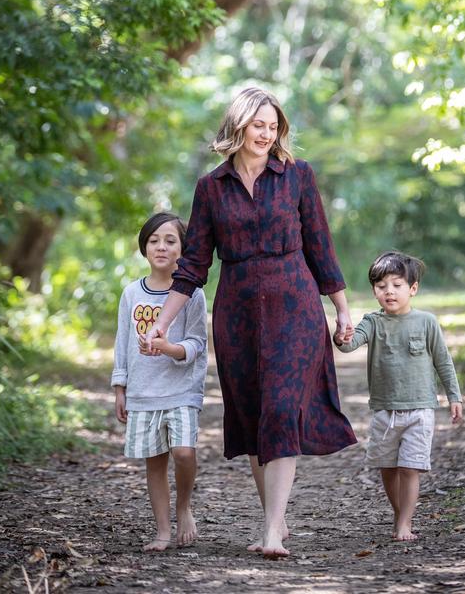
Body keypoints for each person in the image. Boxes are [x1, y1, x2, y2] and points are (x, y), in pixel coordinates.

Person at [140, 86, 357, 558]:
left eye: (273, 124)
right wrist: (161, 321)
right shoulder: (211, 187)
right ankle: (272, 519)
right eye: (258, 124)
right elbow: (194, 264)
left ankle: (273, 529)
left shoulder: (298, 176)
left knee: (282, 409)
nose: (266, 132)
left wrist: (340, 308)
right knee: (257, 415)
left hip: (295, 305)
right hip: (236, 311)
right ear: (238, 126)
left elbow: (320, 244)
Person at [334, 250, 462, 542]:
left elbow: (443, 360)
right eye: (381, 286)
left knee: (409, 467)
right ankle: (398, 511)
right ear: (374, 291)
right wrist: (340, 336)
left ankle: (405, 522)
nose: (389, 291)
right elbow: (349, 344)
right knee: (388, 467)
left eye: (397, 285)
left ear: (412, 288)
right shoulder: (373, 322)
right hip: (384, 410)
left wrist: (454, 396)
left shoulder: (427, 322)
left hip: (420, 409)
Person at [112, 212, 208, 551]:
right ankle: (163, 531)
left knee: (183, 452)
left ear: (183, 249)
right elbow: (122, 341)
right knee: (155, 461)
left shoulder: (192, 294)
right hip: (143, 390)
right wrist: (120, 386)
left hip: (181, 389)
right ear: (144, 247)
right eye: (154, 240)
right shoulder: (131, 293)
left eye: (170, 241)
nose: (161, 247)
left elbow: (199, 342)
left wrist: (171, 349)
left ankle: (184, 507)